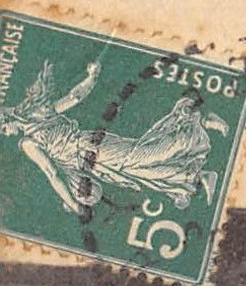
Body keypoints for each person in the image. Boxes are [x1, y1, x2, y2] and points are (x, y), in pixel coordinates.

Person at [1, 61, 229, 214]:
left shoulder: (29, 142)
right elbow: (74, 97)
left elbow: (52, 174)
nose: (6, 134)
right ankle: (197, 178)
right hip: (94, 160)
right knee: (139, 170)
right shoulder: (38, 117)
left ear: (6, 119)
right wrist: (92, 76)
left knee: (143, 157)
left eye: (2, 130)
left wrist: (74, 206)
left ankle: (196, 120)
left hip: (93, 149)